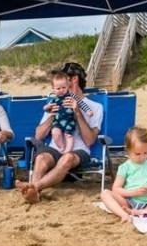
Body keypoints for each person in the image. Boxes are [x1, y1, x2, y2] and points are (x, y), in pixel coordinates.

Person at [16, 61, 103, 204]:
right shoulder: (54, 102)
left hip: (78, 151)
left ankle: (33, 187)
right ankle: (34, 194)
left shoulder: (95, 107)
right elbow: (38, 135)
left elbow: (89, 140)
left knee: (67, 158)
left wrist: (77, 113)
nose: (60, 88)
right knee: (41, 158)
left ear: (74, 79)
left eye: (63, 80)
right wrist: (52, 115)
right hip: (54, 148)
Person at [100, 126, 147, 222]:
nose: (142, 157)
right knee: (105, 193)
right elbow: (116, 189)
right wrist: (134, 192)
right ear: (127, 150)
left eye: (146, 152)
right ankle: (123, 214)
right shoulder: (125, 167)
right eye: (137, 154)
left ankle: (137, 212)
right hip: (128, 201)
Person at [43, 71, 94, 154]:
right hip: (58, 121)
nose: (61, 90)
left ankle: (68, 150)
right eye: (58, 89)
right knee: (55, 132)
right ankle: (61, 147)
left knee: (69, 136)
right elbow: (48, 109)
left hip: (69, 121)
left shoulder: (71, 96)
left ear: (67, 86)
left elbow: (81, 103)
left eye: (64, 87)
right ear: (53, 89)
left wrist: (88, 110)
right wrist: (46, 108)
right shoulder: (54, 99)